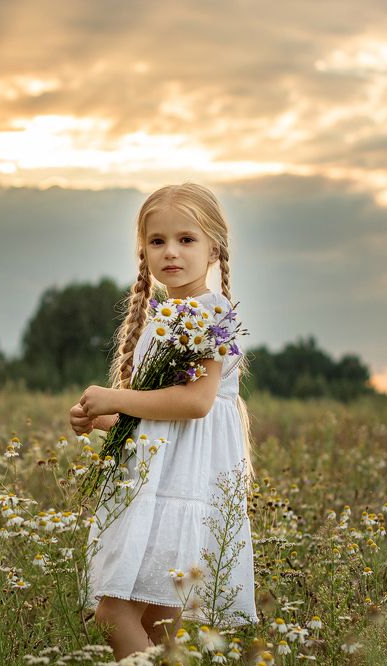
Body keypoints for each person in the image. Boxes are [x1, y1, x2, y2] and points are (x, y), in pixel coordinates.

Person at [68, 182, 259, 659]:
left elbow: (196, 403)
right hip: (158, 484)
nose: (170, 252)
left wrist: (117, 394)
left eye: (186, 239)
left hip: (181, 492)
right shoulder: (165, 315)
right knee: (158, 633)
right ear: (143, 250)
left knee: (115, 614)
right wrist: (103, 418)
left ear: (214, 248)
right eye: (157, 241)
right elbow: (161, 417)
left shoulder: (209, 313)